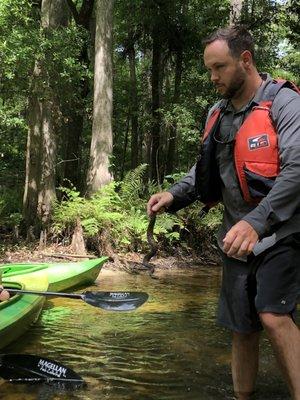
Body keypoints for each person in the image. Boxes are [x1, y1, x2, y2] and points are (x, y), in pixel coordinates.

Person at [147, 26, 300, 400]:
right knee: (241, 326)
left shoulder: (284, 103)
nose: (212, 77)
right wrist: (173, 194)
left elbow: (298, 168)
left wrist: (256, 221)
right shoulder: (217, 113)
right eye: (208, 69)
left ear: (245, 61)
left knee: (273, 315)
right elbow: (203, 173)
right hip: (235, 236)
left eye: (219, 67)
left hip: (282, 230)